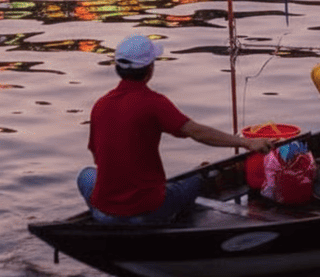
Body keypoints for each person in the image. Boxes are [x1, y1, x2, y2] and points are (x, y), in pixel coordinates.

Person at [77, 35, 274, 224]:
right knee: (198, 177)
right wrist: (247, 142)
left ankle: (108, 218)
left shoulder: (100, 105)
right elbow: (196, 132)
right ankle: (160, 218)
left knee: (86, 174)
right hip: (149, 211)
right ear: (149, 69)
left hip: (103, 211)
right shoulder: (153, 102)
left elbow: (99, 158)